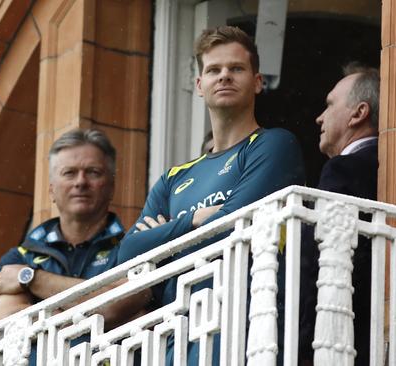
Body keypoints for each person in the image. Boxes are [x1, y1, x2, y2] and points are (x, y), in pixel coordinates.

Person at [117, 26, 306, 365]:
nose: (225, 77)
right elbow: (128, 254)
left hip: (247, 328)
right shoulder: (175, 178)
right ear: (200, 85)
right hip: (177, 335)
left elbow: (230, 230)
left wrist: (166, 238)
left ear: (258, 81)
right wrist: (194, 220)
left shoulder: (273, 144)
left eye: (236, 69)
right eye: (213, 70)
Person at [0, 128, 151, 364]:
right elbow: (13, 325)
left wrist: (32, 279)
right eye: (69, 173)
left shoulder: (133, 247)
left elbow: (116, 306)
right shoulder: (19, 257)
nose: (81, 182)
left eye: (93, 172)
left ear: (111, 186)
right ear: (51, 189)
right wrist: (97, 310)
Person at [299, 63, 380, 366]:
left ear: (358, 113)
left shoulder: (344, 168)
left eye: (330, 104)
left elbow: (314, 262)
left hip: (337, 337)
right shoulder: (389, 169)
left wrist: (303, 345)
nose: (320, 116)